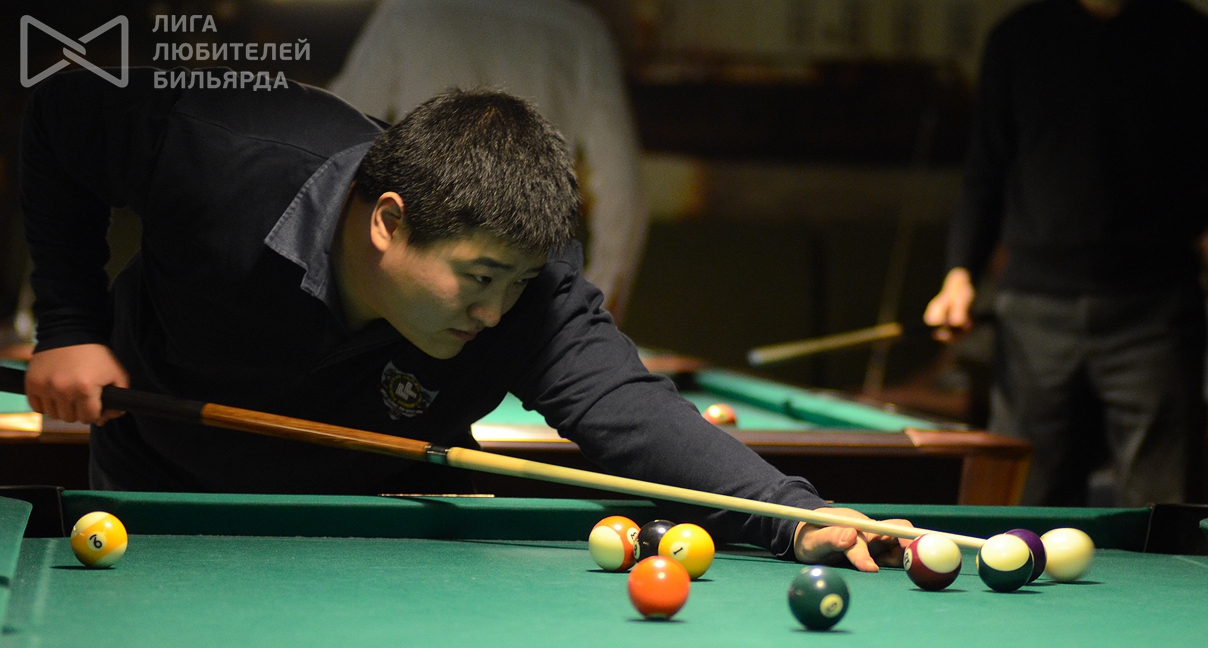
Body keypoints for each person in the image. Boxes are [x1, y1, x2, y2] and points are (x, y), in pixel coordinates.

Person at [19, 67, 905, 570]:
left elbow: (627, 406)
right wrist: (69, 325)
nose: (494, 311)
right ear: (388, 221)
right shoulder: (224, 155)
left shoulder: (525, 295)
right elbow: (58, 116)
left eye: (516, 284)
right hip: (161, 480)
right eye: (478, 278)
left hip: (383, 519)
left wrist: (795, 514)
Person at [924, 0, 1208, 506]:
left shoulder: (1190, 35)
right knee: (1024, 503)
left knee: (1164, 507)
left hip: (1155, 310)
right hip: (1034, 312)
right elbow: (986, 165)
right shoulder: (1019, 36)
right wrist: (960, 273)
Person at [328, 0, 648, 320]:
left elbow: (337, 136)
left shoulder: (408, 11)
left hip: (423, 263)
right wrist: (600, 300)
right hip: (521, 282)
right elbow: (623, 189)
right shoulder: (580, 30)